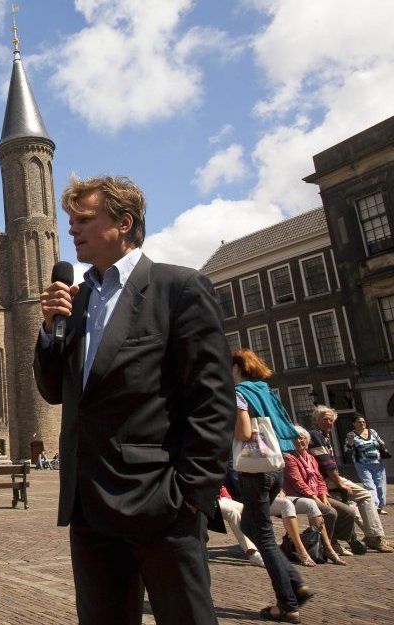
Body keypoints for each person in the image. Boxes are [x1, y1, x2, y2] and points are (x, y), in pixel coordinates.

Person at [33, 175, 234, 625]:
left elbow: (213, 401)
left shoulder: (178, 288)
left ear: (124, 223)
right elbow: (53, 392)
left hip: (161, 506)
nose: (72, 230)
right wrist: (49, 331)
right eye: (69, 220)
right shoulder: (77, 301)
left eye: (84, 219)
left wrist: (187, 495)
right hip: (89, 508)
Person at [231, 349, 310, 623]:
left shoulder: (239, 392)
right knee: (250, 525)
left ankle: (288, 604)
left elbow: (243, 432)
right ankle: (295, 582)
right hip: (276, 467)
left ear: (238, 368)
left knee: (262, 533)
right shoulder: (265, 390)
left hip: (254, 469)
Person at [308, 406, 392, 553]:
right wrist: (340, 484)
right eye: (325, 419)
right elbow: (326, 464)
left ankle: (373, 537)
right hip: (324, 480)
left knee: (352, 502)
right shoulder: (315, 435)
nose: (329, 422)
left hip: (329, 478)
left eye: (331, 420)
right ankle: (374, 537)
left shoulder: (323, 435)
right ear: (316, 421)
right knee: (365, 495)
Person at [282, 427, 350, 566]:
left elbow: (319, 479)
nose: (299, 441)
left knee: (348, 512)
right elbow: (297, 483)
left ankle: (330, 541)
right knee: (329, 512)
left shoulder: (312, 458)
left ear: (308, 440)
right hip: (299, 495)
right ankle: (325, 547)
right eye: (295, 438)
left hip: (317, 494)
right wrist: (315, 498)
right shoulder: (289, 457)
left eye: (302, 437)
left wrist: (324, 496)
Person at [346, 415, 388, 512]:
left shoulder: (372, 432)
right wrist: (350, 442)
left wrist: (381, 443)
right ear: (354, 424)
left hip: (378, 463)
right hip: (362, 464)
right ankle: (375, 506)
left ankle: (380, 506)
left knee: (380, 486)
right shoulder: (351, 435)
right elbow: (347, 449)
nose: (362, 424)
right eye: (359, 422)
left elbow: (381, 442)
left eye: (363, 422)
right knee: (369, 485)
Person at [217, 486, 263, 567]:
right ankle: (253, 554)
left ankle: (263, 548)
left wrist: (227, 496)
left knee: (247, 510)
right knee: (233, 513)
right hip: (204, 498)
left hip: (220, 497)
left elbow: (219, 481)